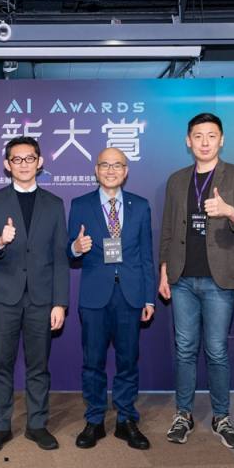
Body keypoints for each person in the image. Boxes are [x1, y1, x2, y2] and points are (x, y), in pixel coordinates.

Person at [159, 113, 234, 449]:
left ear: (222, 140)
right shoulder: (176, 180)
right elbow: (168, 230)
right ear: (188, 141)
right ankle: (183, 414)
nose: (205, 142)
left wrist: (229, 210)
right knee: (184, 350)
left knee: (217, 350)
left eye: (211, 136)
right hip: (182, 278)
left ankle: (221, 416)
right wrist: (163, 269)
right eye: (198, 136)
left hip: (220, 279)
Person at [0, 136, 69, 452]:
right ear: (7, 164)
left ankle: (37, 425)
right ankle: (1, 426)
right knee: (0, 364)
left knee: (38, 366)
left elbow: (59, 257)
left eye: (30, 158)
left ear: (40, 162)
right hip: (4, 297)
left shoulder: (54, 204)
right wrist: (0, 241)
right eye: (17, 159)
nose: (24, 164)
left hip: (42, 299)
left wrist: (60, 303)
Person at [68, 147, 156, 450]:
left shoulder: (140, 206)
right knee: (92, 362)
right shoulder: (80, 204)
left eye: (117, 165)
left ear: (126, 170)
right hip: (94, 295)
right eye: (104, 164)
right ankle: (94, 420)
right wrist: (76, 247)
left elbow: (146, 256)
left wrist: (149, 298)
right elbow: (69, 250)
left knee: (128, 361)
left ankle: (125, 420)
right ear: (96, 169)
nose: (110, 170)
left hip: (131, 295)